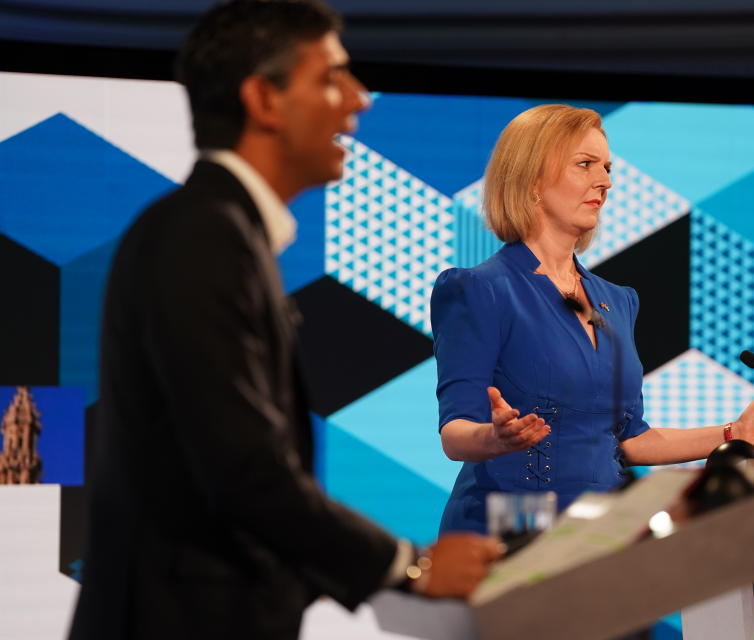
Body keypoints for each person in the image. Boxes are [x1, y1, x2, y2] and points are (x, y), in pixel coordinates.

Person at [68, 2, 500, 639]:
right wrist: (409, 567)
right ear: (264, 101)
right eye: (332, 77)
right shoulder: (200, 237)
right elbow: (243, 470)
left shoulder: (224, 234)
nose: (359, 99)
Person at [431, 104, 754, 534]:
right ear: (532, 181)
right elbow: (456, 433)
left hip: (602, 534)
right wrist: (496, 437)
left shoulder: (616, 302)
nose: (605, 181)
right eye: (585, 165)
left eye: (606, 167)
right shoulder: (479, 289)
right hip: (507, 531)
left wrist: (734, 433)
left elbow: (631, 440)